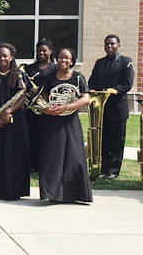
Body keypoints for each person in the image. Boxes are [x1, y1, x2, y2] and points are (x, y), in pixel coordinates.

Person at [39, 48, 92, 204]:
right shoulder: (50, 77)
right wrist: (47, 109)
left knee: (74, 155)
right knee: (53, 156)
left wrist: (67, 107)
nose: (63, 60)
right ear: (56, 59)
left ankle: (75, 193)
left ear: (72, 60)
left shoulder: (78, 77)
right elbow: (43, 98)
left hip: (70, 120)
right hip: (53, 121)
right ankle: (54, 193)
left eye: (67, 58)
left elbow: (86, 98)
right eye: (61, 58)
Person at [0, 43, 30, 200]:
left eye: (5, 56)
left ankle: (13, 191)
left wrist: (9, 111)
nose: (2, 58)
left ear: (11, 57)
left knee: (14, 155)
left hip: (15, 120)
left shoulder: (19, 75)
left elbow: (23, 96)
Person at [88, 35, 134, 180]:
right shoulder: (99, 63)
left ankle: (113, 170)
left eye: (112, 44)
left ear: (118, 45)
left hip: (117, 108)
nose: (109, 46)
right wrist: (93, 91)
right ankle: (103, 168)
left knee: (117, 141)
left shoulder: (126, 62)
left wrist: (114, 90)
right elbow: (92, 81)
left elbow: (127, 84)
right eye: (107, 44)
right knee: (103, 140)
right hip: (101, 109)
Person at [22, 40, 57, 173]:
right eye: (39, 50)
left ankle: (44, 163)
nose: (41, 53)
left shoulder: (55, 68)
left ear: (50, 51)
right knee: (31, 135)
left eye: (44, 50)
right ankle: (32, 163)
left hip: (46, 107)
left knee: (45, 136)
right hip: (30, 108)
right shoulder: (30, 68)